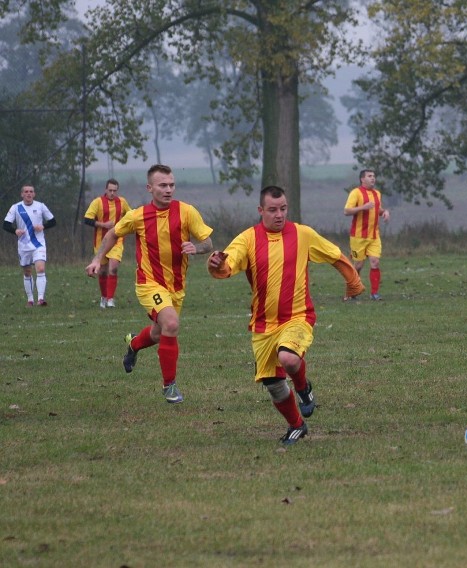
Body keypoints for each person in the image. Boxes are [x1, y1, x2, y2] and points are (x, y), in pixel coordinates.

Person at [207, 185, 365, 446]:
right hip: (263, 324)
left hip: (298, 316)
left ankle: (303, 388)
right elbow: (229, 262)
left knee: (289, 358)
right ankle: (297, 425)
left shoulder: (302, 234)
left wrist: (353, 282)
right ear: (261, 210)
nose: (279, 214)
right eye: (272, 210)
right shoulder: (248, 238)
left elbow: (333, 254)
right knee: (274, 383)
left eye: (283, 209)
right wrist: (217, 264)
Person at [85, 164, 213, 404]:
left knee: (158, 332)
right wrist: (97, 259)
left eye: (171, 185)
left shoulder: (187, 212)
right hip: (149, 284)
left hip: (176, 286)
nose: (168, 190)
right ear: (150, 187)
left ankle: (133, 344)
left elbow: (208, 242)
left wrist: (197, 248)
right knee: (172, 323)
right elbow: (113, 233)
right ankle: (170, 386)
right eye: (162, 185)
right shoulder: (138, 215)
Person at [3, 185, 56, 306]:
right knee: (27, 272)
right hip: (24, 245)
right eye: (26, 192)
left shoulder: (40, 206)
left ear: (34, 194)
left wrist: (43, 226)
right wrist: (15, 231)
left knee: (41, 269)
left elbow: (53, 221)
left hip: (38, 243)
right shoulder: (16, 207)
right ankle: (30, 300)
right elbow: (6, 225)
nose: (29, 194)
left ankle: (41, 299)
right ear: (22, 194)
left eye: (31, 191)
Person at [83, 178, 132, 308]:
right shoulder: (97, 202)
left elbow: (131, 216)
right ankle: (104, 297)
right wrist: (103, 224)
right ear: (105, 190)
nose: (112, 193)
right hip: (101, 243)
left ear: (117, 190)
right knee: (103, 271)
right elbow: (87, 219)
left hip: (117, 240)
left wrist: (125, 225)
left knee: (113, 268)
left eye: (114, 190)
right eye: (110, 190)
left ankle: (111, 300)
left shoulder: (122, 202)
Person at [343, 169, 390, 300]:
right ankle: (351, 291)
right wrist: (363, 207)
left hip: (374, 236)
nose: (373, 178)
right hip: (358, 237)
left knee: (375, 262)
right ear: (362, 179)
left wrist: (384, 212)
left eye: (374, 176)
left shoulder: (377, 194)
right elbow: (346, 211)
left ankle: (374, 294)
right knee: (358, 265)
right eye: (369, 176)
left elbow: (377, 209)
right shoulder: (356, 193)